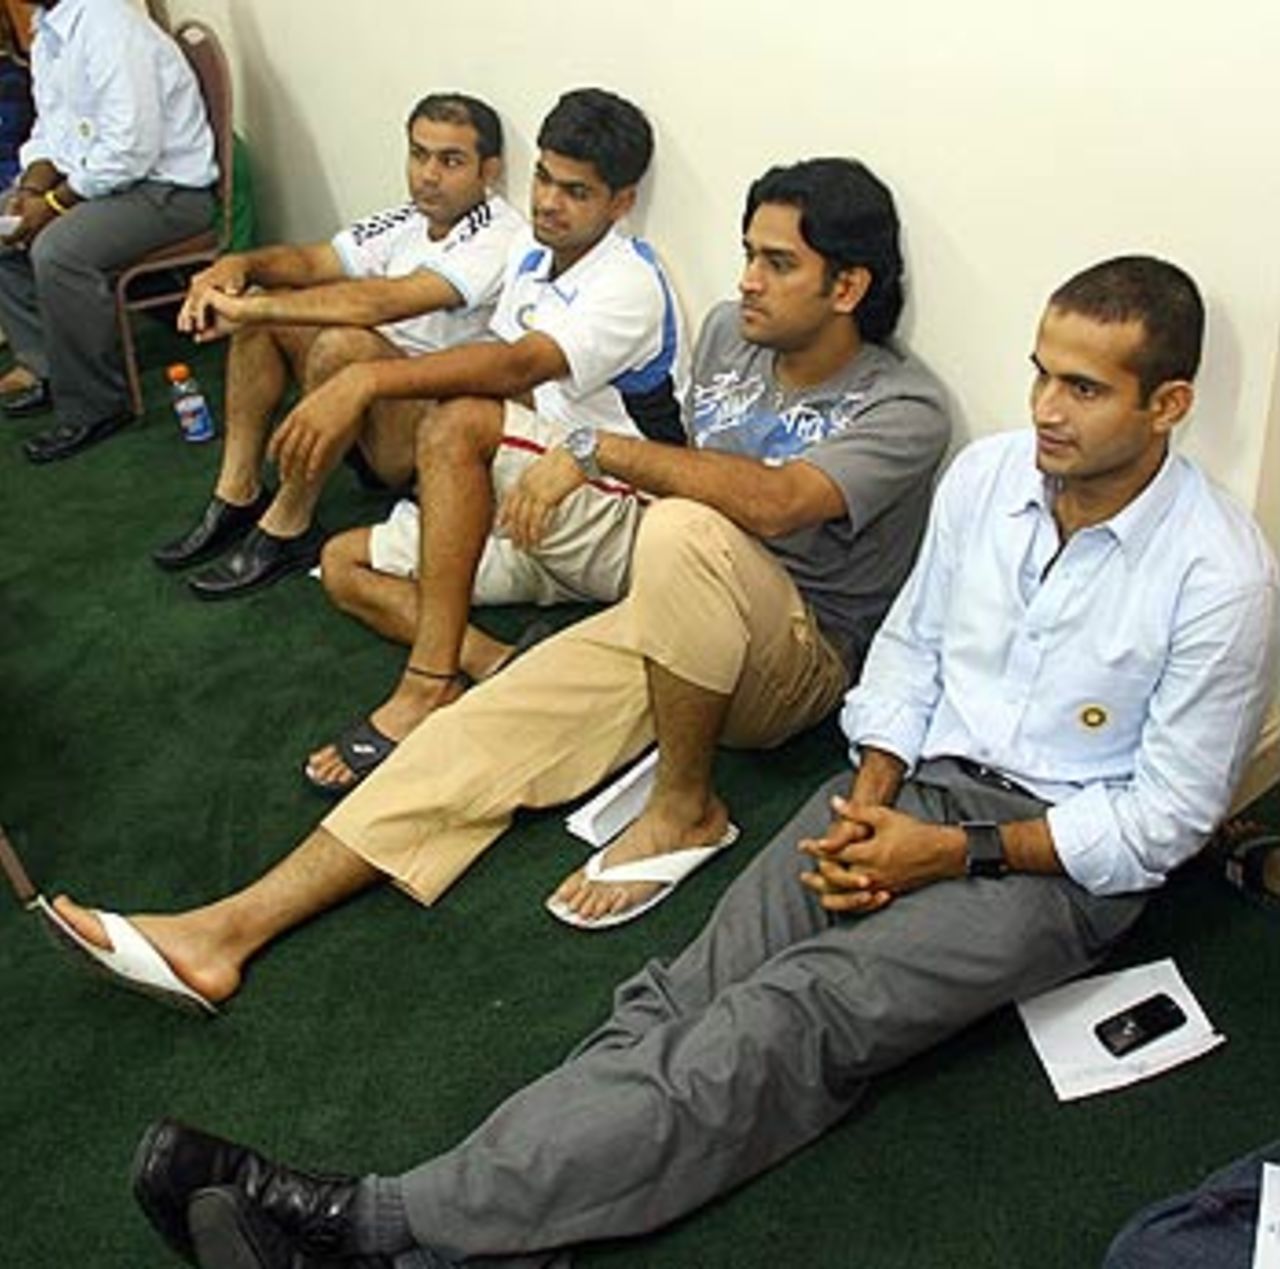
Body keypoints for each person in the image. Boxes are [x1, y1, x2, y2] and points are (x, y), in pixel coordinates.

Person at [124, 255, 1278, 1269]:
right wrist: (872, 797)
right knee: (683, 992)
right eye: (1037, 372)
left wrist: (948, 852)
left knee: (789, 1017)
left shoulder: (1215, 573)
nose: (1043, 409)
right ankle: (472, 1246)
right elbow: (914, 652)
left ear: (1167, 403)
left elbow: (1164, 821)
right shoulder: (986, 479)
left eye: (1082, 387)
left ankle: (372, 1222)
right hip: (899, 790)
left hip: (1049, 866)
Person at [44, 153, 949, 1015]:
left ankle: (686, 807)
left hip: (798, 659)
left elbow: (780, 502)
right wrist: (588, 465)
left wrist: (591, 451)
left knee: (680, 524)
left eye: (778, 262)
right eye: (750, 252)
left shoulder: (903, 404)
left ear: (848, 287)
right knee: (478, 727)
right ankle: (224, 932)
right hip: (677, 611)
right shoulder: (728, 333)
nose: (747, 277)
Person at [293, 85, 685, 784]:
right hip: (528, 505)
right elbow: (505, 382)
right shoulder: (531, 256)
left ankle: (428, 681)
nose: (547, 203)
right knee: (344, 564)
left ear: (621, 202)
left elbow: (514, 365)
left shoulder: (630, 279)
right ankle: (495, 662)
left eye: (576, 191)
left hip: (609, 510)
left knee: (459, 422)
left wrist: (367, 380)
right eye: (543, 178)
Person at [154, 91, 525, 597]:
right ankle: (237, 491)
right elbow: (312, 262)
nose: (428, 175)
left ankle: (289, 523)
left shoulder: (500, 236)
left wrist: (253, 307)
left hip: (422, 431)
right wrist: (240, 267)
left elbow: (381, 303)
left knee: (341, 345)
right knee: (273, 306)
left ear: (490, 170)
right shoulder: (407, 219)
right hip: (364, 400)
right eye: (418, 155)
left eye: (451, 161)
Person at [0, 0, 217, 463]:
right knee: (6, 226)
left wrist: (54, 205)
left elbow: (130, 149)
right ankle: (50, 370)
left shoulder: (109, 25)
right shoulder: (50, 30)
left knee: (58, 252)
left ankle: (97, 406)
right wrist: (32, 187)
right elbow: (50, 129)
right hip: (110, 185)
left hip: (168, 192)